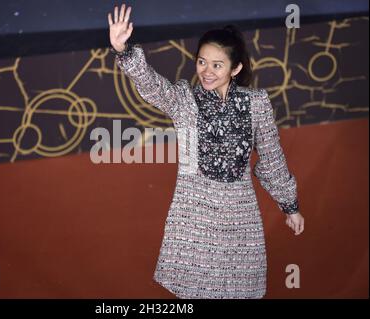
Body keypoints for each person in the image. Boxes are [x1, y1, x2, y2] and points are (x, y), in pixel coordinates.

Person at [108, 4, 305, 299]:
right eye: (202, 62)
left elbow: (272, 158)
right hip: (194, 217)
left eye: (217, 65)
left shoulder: (256, 103)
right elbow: (152, 87)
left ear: (235, 68)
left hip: (240, 218)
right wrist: (123, 51)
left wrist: (289, 205)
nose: (206, 71)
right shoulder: (184, 100)